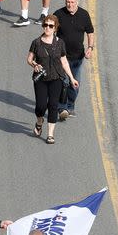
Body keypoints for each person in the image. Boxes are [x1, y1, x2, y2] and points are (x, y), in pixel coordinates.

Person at [27, 15, 79, 145]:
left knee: (53, 105)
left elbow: (64, 61)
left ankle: (50, 134)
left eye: (51, 26)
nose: (47, 28)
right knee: (41, 106)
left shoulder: (60, 43)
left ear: (55, 28)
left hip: (56, 78)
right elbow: (29, 59)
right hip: (41, 79)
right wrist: (35, 65)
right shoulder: (36, 42)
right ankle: (39, 122)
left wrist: (72, 78)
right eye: (45, 25)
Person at [53, 0, 94, 120]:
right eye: (67, 2)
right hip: (62, 56)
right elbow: (51, 31)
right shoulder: (58, 14)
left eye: (72, 2)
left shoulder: (84, 15)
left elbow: (90, 32)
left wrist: (90, 48)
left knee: (75, 84)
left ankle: (70, 106)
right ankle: (62, 108)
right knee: (64, 82)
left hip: (78, 57)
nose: (69, 4)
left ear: (77, 2)